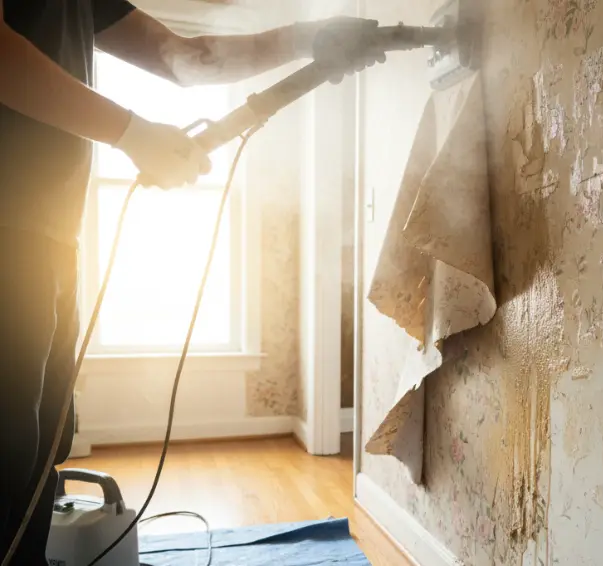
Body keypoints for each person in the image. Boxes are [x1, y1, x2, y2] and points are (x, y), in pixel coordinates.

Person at [0, 2, 384, 564]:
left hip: (53, 239)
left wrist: (310, 39)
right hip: (8, 235)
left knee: (39, 447)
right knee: (8, 445)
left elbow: (184, 56)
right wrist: (132, 132)